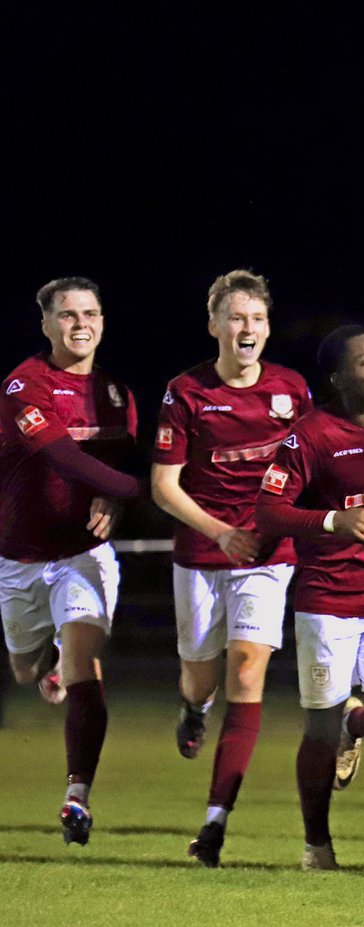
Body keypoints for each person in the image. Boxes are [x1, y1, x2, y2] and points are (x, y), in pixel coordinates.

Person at [150, 269, 312, 867]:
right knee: (202, 678)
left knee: (247, 673)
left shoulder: (292, 390)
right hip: (201, 555)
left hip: (267, 561)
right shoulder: (185, 393)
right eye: (237, 318)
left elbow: (310, 466)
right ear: (215, 325)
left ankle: (215, 823)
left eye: (258, 319)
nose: (249, 328)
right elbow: (164, 486)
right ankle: (193, 708)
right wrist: (222, 534)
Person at [256, 325, 364, 871]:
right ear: (337, 380)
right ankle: (317, 847)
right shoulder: (310, 437)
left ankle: (359, 724)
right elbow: (268, 512)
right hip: (328, 600)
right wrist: (335, 519)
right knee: (318, 730)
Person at [0, 277, 141, 846]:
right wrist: (139, 489)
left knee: (84, 660)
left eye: (90, 313)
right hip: (19, 558)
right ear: (46, 324)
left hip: (81, 554)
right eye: (67, 315)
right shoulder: (22, 385)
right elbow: (62, 456)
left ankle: (76, 795)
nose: (80, 324)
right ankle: (50, 660)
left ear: (103, 321)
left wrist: (115, 500)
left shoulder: (116, 394)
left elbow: (111, 462)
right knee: (27, 670)